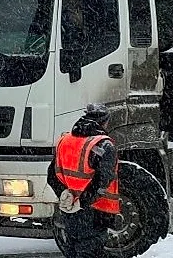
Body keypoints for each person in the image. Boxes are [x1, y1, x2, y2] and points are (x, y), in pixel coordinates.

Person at [47, 103, 119, 258]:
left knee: (72, 248)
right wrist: (82, 202)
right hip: (96, 210)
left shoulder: (65, 140)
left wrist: (65, 194)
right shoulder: (104, 145)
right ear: (104, 122)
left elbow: (51, 175)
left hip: (69, 210)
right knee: (89, 250)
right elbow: (102, 181)